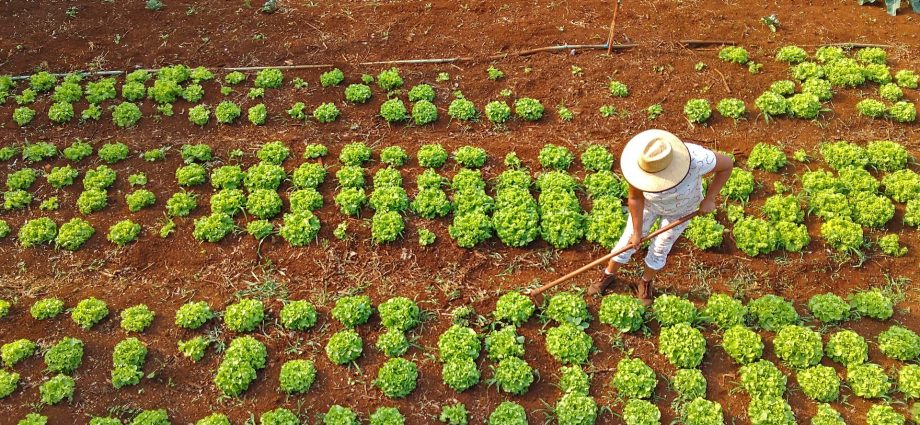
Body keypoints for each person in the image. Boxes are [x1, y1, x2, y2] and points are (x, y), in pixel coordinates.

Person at [588, 129, 734, 304]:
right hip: (649, 206)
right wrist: (637, 233)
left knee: (660, 248)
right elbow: (635, 198)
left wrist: (710, 199)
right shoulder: (638, 167)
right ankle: (608, 274)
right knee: (627, 242)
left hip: (681, 210)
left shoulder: (697, 160)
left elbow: (726, 165)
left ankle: (646, 281)